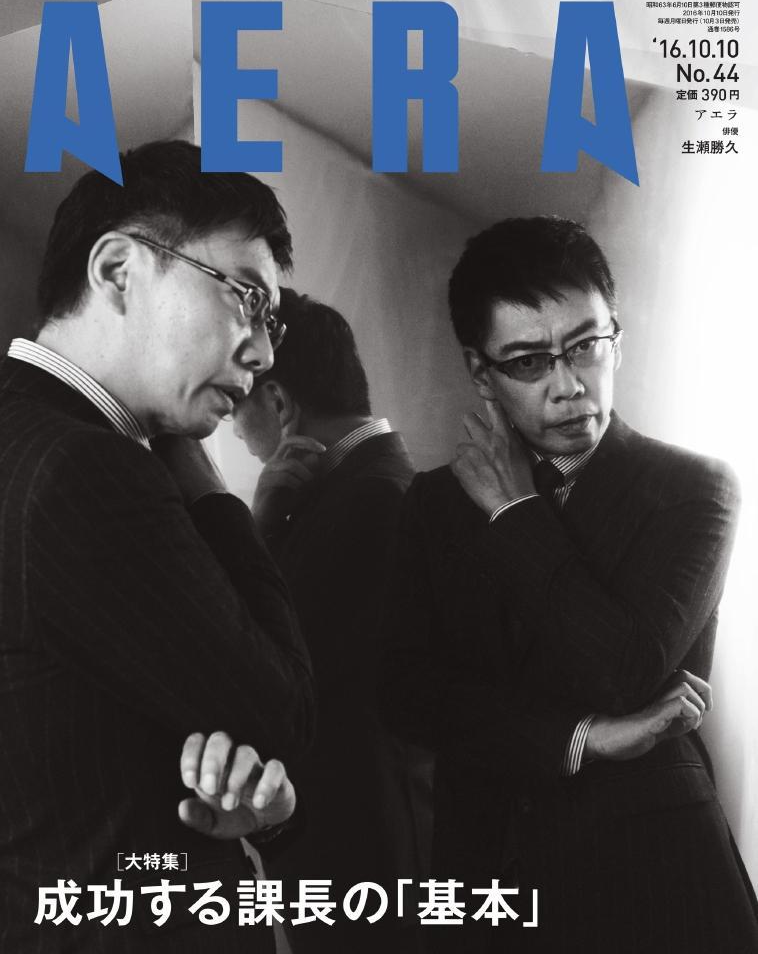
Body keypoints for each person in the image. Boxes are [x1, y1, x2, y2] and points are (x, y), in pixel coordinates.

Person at [381, 216, 758, 952]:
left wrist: (515, 512)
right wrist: (584, 738)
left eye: (587, 345)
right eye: (529, 361)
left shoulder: (696, 488)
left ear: (617, 337)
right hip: (489, 867)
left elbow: (626, 669)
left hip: (654, 874)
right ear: (480, 372)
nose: (569, 385)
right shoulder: (431, 504)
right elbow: (406, 694)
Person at [0, 140, 315, 952]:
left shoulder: (24, 436)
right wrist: (211, 490)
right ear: (117, 271)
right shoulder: (86, 471)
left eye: (272, 321)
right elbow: (280, 711)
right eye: (247, 297)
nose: (265, 352)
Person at [233, 289, 428, 953]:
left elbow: (263, 668)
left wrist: (257, 527)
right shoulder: (375, 486)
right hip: (365, 844)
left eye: (237, 405)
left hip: (362, 852)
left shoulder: (369, 504)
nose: (235, 430)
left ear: (278, 403)